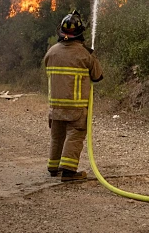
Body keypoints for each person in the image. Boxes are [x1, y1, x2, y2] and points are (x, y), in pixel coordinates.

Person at [43, 10, 103, 182]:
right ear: (80, 33)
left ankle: (53, 167)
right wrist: (91, 55)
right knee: (75, 135)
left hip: (55, 108)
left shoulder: (51, 52)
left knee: (57, 136)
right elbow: (97, 76)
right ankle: (69, 171)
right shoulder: (84, 54)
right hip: (75, 107)